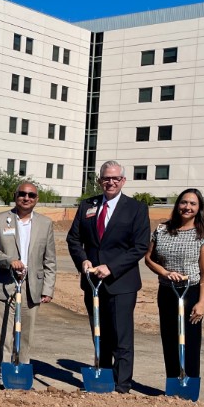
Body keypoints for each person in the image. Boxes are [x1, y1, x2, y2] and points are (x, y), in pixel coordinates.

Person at [66, 161, 151, 393]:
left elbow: (140, 246)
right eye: (106, 178)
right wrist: (82, 259)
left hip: (121, 283)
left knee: (121, 336)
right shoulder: (87, 206)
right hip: (93, 282)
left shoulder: (136, 208)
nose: (110, 182)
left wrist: (111, 267)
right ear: (100, 180)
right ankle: (102, 381)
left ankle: (122, 385)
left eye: (115, 178)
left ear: (123, 181)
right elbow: (73, 239)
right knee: (99, 333)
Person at [0, 180, 56, 385]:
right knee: (1, 336)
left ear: (37, 199)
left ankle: (20, 377)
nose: (26, 198)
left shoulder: (45, 224)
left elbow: (49, 259)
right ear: (15, 196)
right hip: (3, 285)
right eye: (22, 194)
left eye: (31, 195)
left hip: (31, 287)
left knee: (25, 335)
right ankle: (0, 378)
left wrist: (48, 288)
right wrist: (9, 262)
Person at [144, 188, 204, 381]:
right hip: (167, 292)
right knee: (169, 339)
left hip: (190, 292)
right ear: (178, 205)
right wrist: (165, 273)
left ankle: (189, 383)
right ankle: (173, 381)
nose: (187, 207)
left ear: (199, 208)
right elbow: (149, 259)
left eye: (193, 204)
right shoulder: (162, 230)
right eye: (184, 202)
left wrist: (202, 303)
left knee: (190, 340)